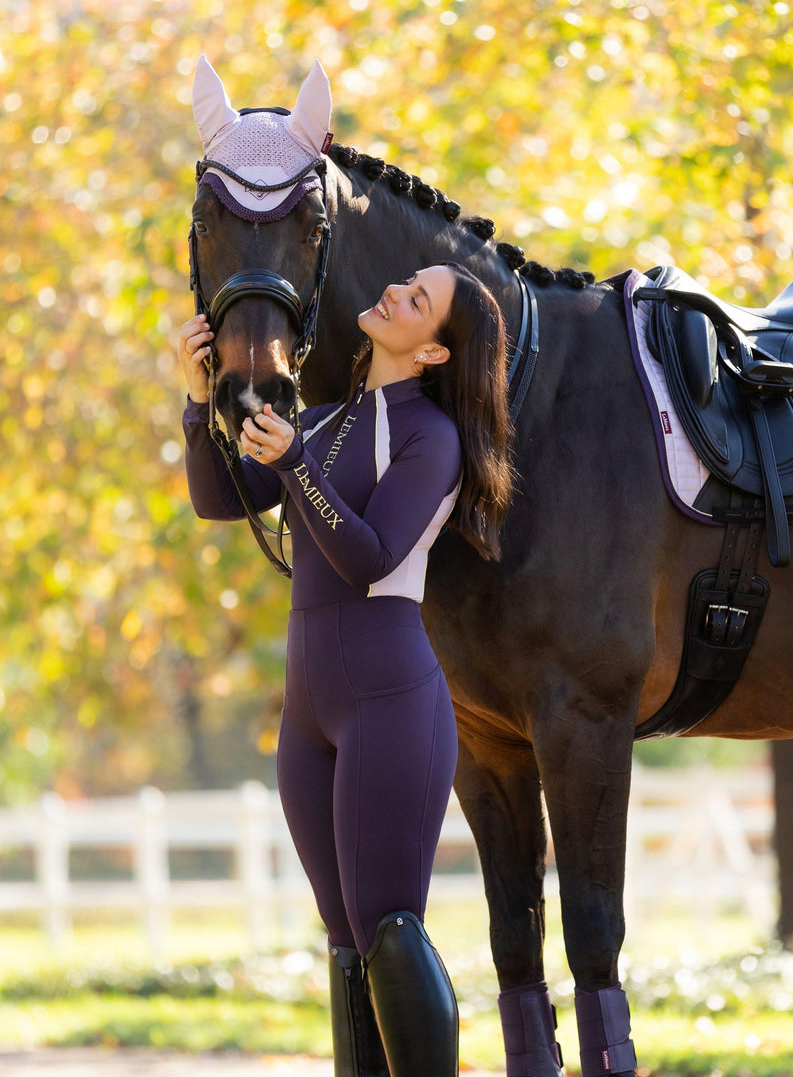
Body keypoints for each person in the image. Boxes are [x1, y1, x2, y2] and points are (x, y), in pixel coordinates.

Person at [179, 260, 513, 1077]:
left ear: (434, 353)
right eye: (405, 283)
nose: (396, 292)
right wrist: (197, 400)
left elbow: (368, 558)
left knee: (389, 925)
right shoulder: (324, 422)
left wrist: (296, 464)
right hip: (311, 711)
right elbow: (222, 499)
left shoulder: (432, 441)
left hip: (389, 697)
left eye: (418, 300)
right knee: (345, 944)